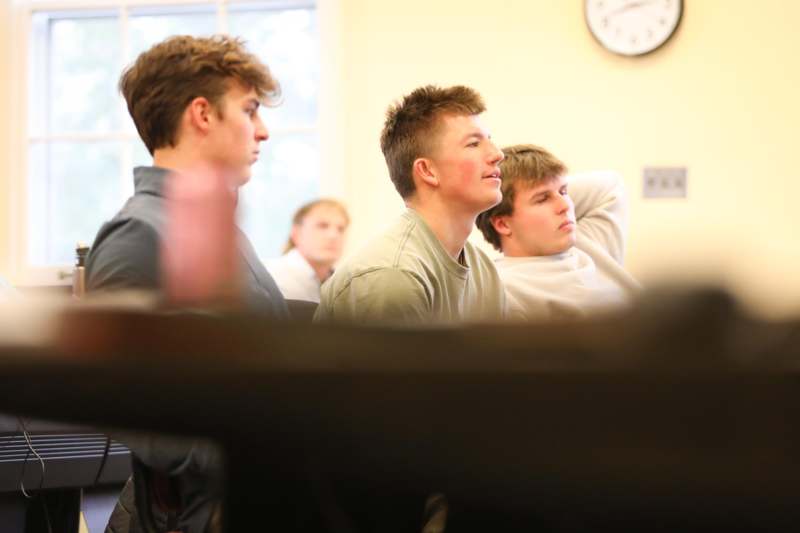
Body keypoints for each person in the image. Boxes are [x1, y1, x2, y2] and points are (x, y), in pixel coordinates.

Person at [85, 35, 287, 533]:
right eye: (249, 110)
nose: (262, 131)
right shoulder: (139, 233)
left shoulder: (216, 229)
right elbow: (134, 407)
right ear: (201, 114)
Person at [315, 85, 506, 326]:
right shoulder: (392, 275)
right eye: (473, 144)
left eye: (489, 141)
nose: (497, 154)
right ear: (427, 171)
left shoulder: (484, 272)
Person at [476, 144, 641, 321]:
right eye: (542, 199)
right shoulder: (500, 290)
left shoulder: (584, 239)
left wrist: (544, 179)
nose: (566, 206)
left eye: (564, 192)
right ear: (503, 224)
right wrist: (489, 196)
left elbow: (612, 185)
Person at [265, 198, 349, 303]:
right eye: (322, 226)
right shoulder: (270, 279)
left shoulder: (346, 286)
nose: (333, 235)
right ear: (296, 233)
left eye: (340, 229)